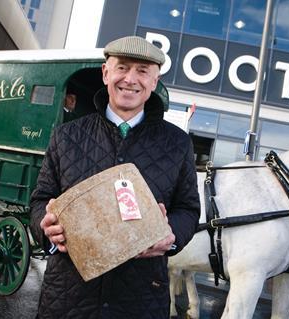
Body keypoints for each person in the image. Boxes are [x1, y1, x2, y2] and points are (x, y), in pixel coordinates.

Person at [30, 35, 200, 319]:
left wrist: (171, 236)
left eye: (143, 71)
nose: (131, 79)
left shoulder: (178, 143)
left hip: (141, 298)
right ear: (106, 73)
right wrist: (44, 227)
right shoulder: (66, 136)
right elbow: (40, 200)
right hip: (68, 295)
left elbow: (188, 209)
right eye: (122, 67)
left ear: (154, 81)